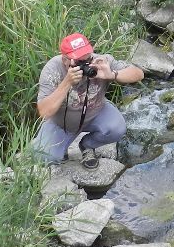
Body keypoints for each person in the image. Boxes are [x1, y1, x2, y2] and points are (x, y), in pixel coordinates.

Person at [35, 32, 144, 168]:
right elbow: (44, 111)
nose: (86, 64)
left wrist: (112, 74)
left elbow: (139, 74)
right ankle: (61, 148)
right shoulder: (53, 69)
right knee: (43, 157)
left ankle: (87, 145)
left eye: (88, 58)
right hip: (62, 123)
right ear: (65, 59)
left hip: (95, 113)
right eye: (79, 61)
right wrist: (66, 83)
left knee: (117, 128)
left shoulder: (100, 61)